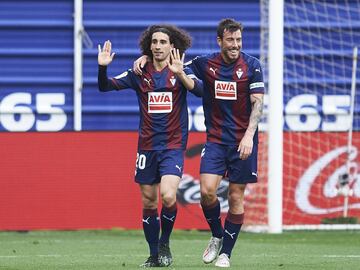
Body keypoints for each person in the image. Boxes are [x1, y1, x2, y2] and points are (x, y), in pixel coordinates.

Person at [134, 18, 264, 268]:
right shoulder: (205, 63)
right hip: (215, 139)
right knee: (207, 191)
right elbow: (175, 68)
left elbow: (258, 102)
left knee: (236, 197)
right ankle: (216, 233)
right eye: (230, 40)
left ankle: (226, 252)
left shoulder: (252, 65)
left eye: (238, 40)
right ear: (220, 41)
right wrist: (144, 59)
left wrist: (249, 135)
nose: (235, 44)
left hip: (243, 141)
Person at [98, 24, 202, 267]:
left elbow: (199, 90)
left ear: (172, 46)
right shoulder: (139, 71)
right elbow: (105, 86)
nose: (157, 46)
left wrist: (181, 75)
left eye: (163, 42)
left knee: (167, 196)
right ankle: (154, 254)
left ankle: (164, 242)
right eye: (154, 42)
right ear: (149, 45)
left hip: (173, 146)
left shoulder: (182, 69)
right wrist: (102, 67)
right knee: (148, 202)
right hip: (146, 147)